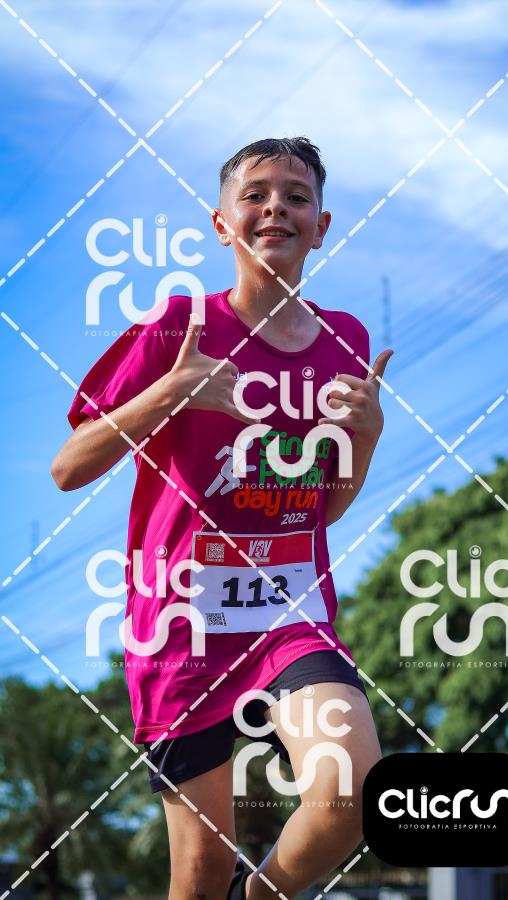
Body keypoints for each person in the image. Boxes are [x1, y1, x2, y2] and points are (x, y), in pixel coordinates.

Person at [51, 136, 392, 900]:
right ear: (221, 222)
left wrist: (367, 437)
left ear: (322, 226)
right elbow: (69, 467)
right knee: (202, 870)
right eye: (256, 194)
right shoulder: (179, 327)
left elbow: (322, 510)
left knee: (349, 789)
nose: (276, 208)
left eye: (297, 196)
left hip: (290, 615)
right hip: (182, 625)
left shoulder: (347, 342)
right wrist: (172, 392)